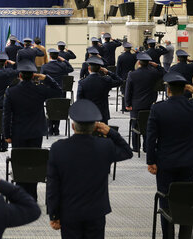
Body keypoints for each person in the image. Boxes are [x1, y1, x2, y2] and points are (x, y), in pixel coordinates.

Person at [46, 99, 133, 238]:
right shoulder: (105, 146)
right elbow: (127, 152)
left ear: (73, 126)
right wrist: (110, 131)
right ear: (95, 127)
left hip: (69, 212)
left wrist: (54, 214)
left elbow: (52, 185)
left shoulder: (58, 148)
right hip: (96, 212)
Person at [146, 72, 193, 239]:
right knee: (187, 201)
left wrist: (151, 161)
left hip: (165, 161)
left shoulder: (158, 108)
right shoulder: (192, 106)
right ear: (185, 89)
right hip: (188, 161)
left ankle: (168, 236)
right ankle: (185, 236)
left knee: (165, 201)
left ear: (168, 89)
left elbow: (151, 137)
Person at [3, 60, 61, 199]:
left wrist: (7, 134)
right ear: (33, 76)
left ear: (20, 76)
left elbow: (6, 115)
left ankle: (20, 195)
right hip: (36, 132)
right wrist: (47, 78)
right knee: (34, 164)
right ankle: (32, 196)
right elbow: (58, 91)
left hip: (18, 133)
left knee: (19, 163)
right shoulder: (40, 89)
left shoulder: (11, 91)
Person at [125, 52, 166, 152]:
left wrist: (127, 104)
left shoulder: (132, 74)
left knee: (135, 125)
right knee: (148, 126)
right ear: (149, 63)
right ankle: (147, 147)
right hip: (150, 104)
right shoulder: (154, 73)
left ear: (138, 62)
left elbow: (128, 90)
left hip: (136, 105)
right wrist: (158, 66)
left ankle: (136, 147)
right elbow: (165, 74)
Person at [77, 56, 123, 124]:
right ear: (100, 69)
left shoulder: (82, 82)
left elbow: (79, 99)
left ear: (89, 68)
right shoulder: (106, 80)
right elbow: (120, 81)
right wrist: (108, 72)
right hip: (102, 112)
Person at [40, 48, 74, 135]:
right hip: (60, 90)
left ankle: (50, 128)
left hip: (48, 91)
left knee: (49, 108)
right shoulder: (62, 65)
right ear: (58, 56)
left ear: (49, 56)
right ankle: (56, 129)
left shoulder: (45, 66)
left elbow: (41, 79)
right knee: (59, 109)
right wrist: (65, 60)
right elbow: (71, 69)